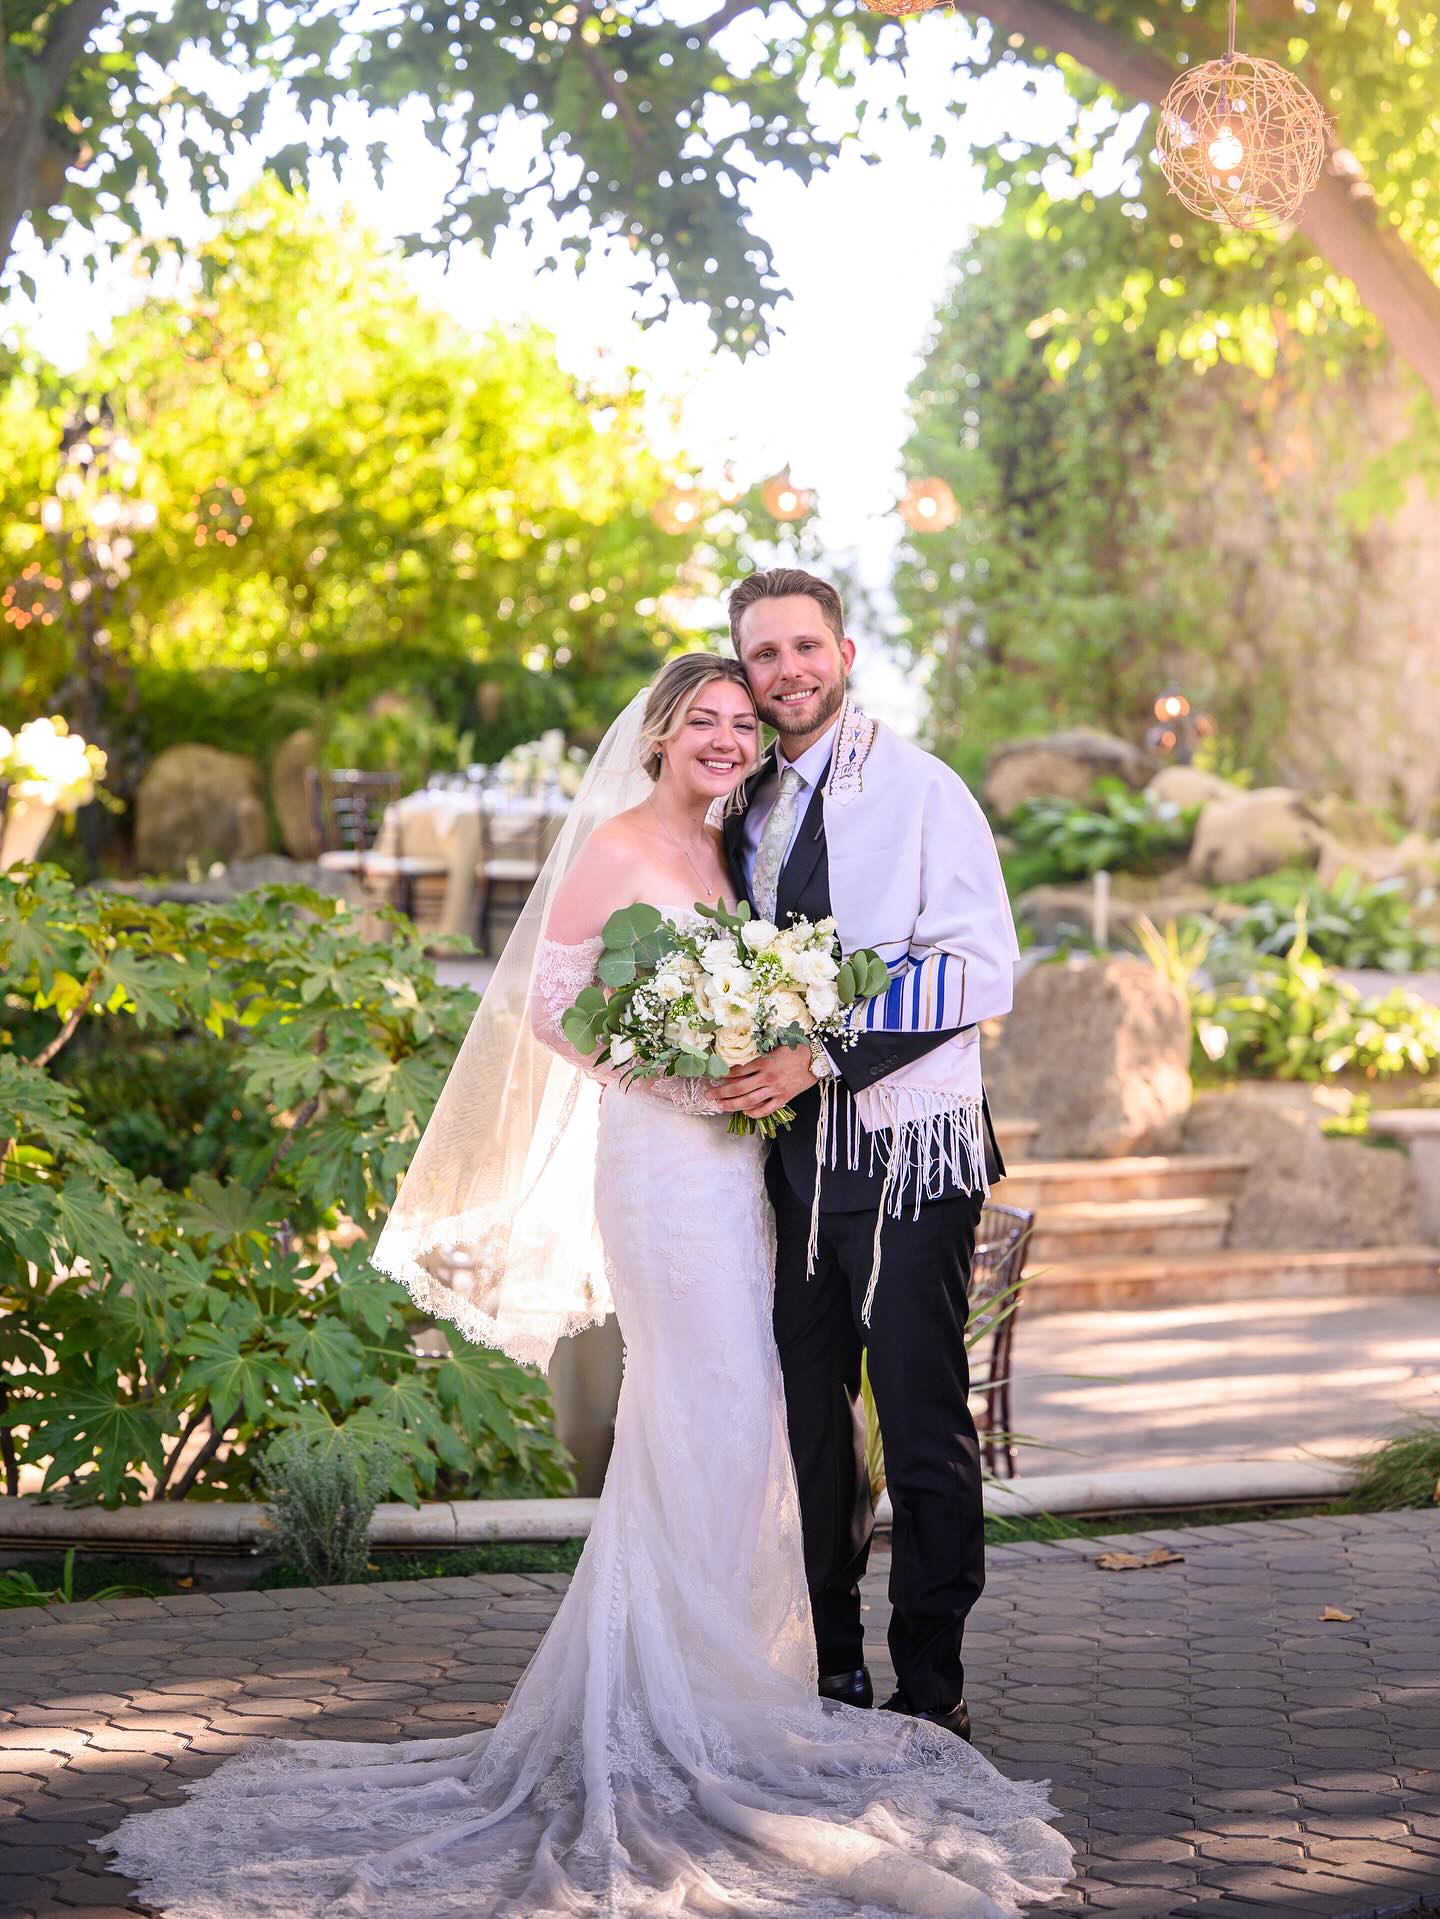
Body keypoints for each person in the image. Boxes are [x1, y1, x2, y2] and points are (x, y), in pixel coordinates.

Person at [99, 654, 1070, 1919]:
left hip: (734, 1167)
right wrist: (676, 1074)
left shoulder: (737, 849)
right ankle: (685, 1701)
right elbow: (553, 1011)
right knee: (709, 1404)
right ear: (661, 734)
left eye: (741, 720)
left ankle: (738, 1686)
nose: (727, 735)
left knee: (739, 1418)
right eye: (705, 719)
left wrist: (750, 1053)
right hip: (665, 1163)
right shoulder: (617, 844)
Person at [715, 567, 1019, 1744]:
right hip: (787, 1159)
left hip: (906, 1149)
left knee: (923, 1410)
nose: (787, 669)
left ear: (846, 653)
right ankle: (831, 1664)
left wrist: (823, 1053)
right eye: (764, 655)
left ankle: (930, 1679)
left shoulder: (924, 790)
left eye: (805, 646)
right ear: (745, 671)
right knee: (809, 1413)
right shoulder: (745, 805)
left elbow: (978, 965)